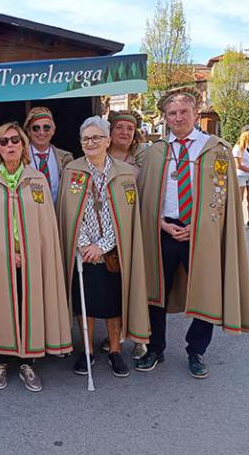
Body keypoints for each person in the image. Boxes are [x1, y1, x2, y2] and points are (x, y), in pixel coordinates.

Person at [135, 87, 249, 379]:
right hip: (163, 229)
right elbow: (147, 196)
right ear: (165, 118)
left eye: (183, 112)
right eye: (172, 113)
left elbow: (223, 200)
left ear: (195, 114)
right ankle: (155, 348)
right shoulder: (156, 152)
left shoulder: (216, 150)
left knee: (206, 289)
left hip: (201, 233)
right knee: (155, 292)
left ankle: (196, 350)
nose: (177, 118)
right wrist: (160, 221)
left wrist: (199, 226)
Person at [0, 122, 72, 392]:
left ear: (23, 145)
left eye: (15, 140)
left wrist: (28, 252)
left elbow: (45, 225)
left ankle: (28, 361)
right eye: (4, 142)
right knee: (0, 306)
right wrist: (6, 254)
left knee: (28, 305)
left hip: (32, 259)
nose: (10, 145)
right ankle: (1, 361)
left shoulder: (36, 179)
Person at [57, 116, 150, 378]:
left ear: (108, 141)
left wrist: (103, 245)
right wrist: (85, 244)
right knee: (84, 301)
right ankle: (86, 351)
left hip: (112, 251)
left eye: (97, 137)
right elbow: (70, 212)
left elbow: (125, 215)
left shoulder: (125, 173)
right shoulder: (72, 170)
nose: (91, 142)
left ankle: (115, 351)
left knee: (112, 304)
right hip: (83, 252)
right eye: (86, 138)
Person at [100, 110, 148, 360]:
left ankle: (140, 336)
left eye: (129, 128)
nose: (124, 133)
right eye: (119, 127)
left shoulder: (144, 158)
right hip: (109, 231)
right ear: (110, 131)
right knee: (114, 286)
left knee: (137, 283)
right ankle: (115, 335)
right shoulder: (100, 158)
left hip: (136, 229)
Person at [24, 106, 73, 207]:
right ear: (28, 131)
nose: (41, 132)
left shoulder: (65, 158)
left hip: (57, 215)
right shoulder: (20, 158)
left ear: (53, 130)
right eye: (35, 128)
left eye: (46, 128)